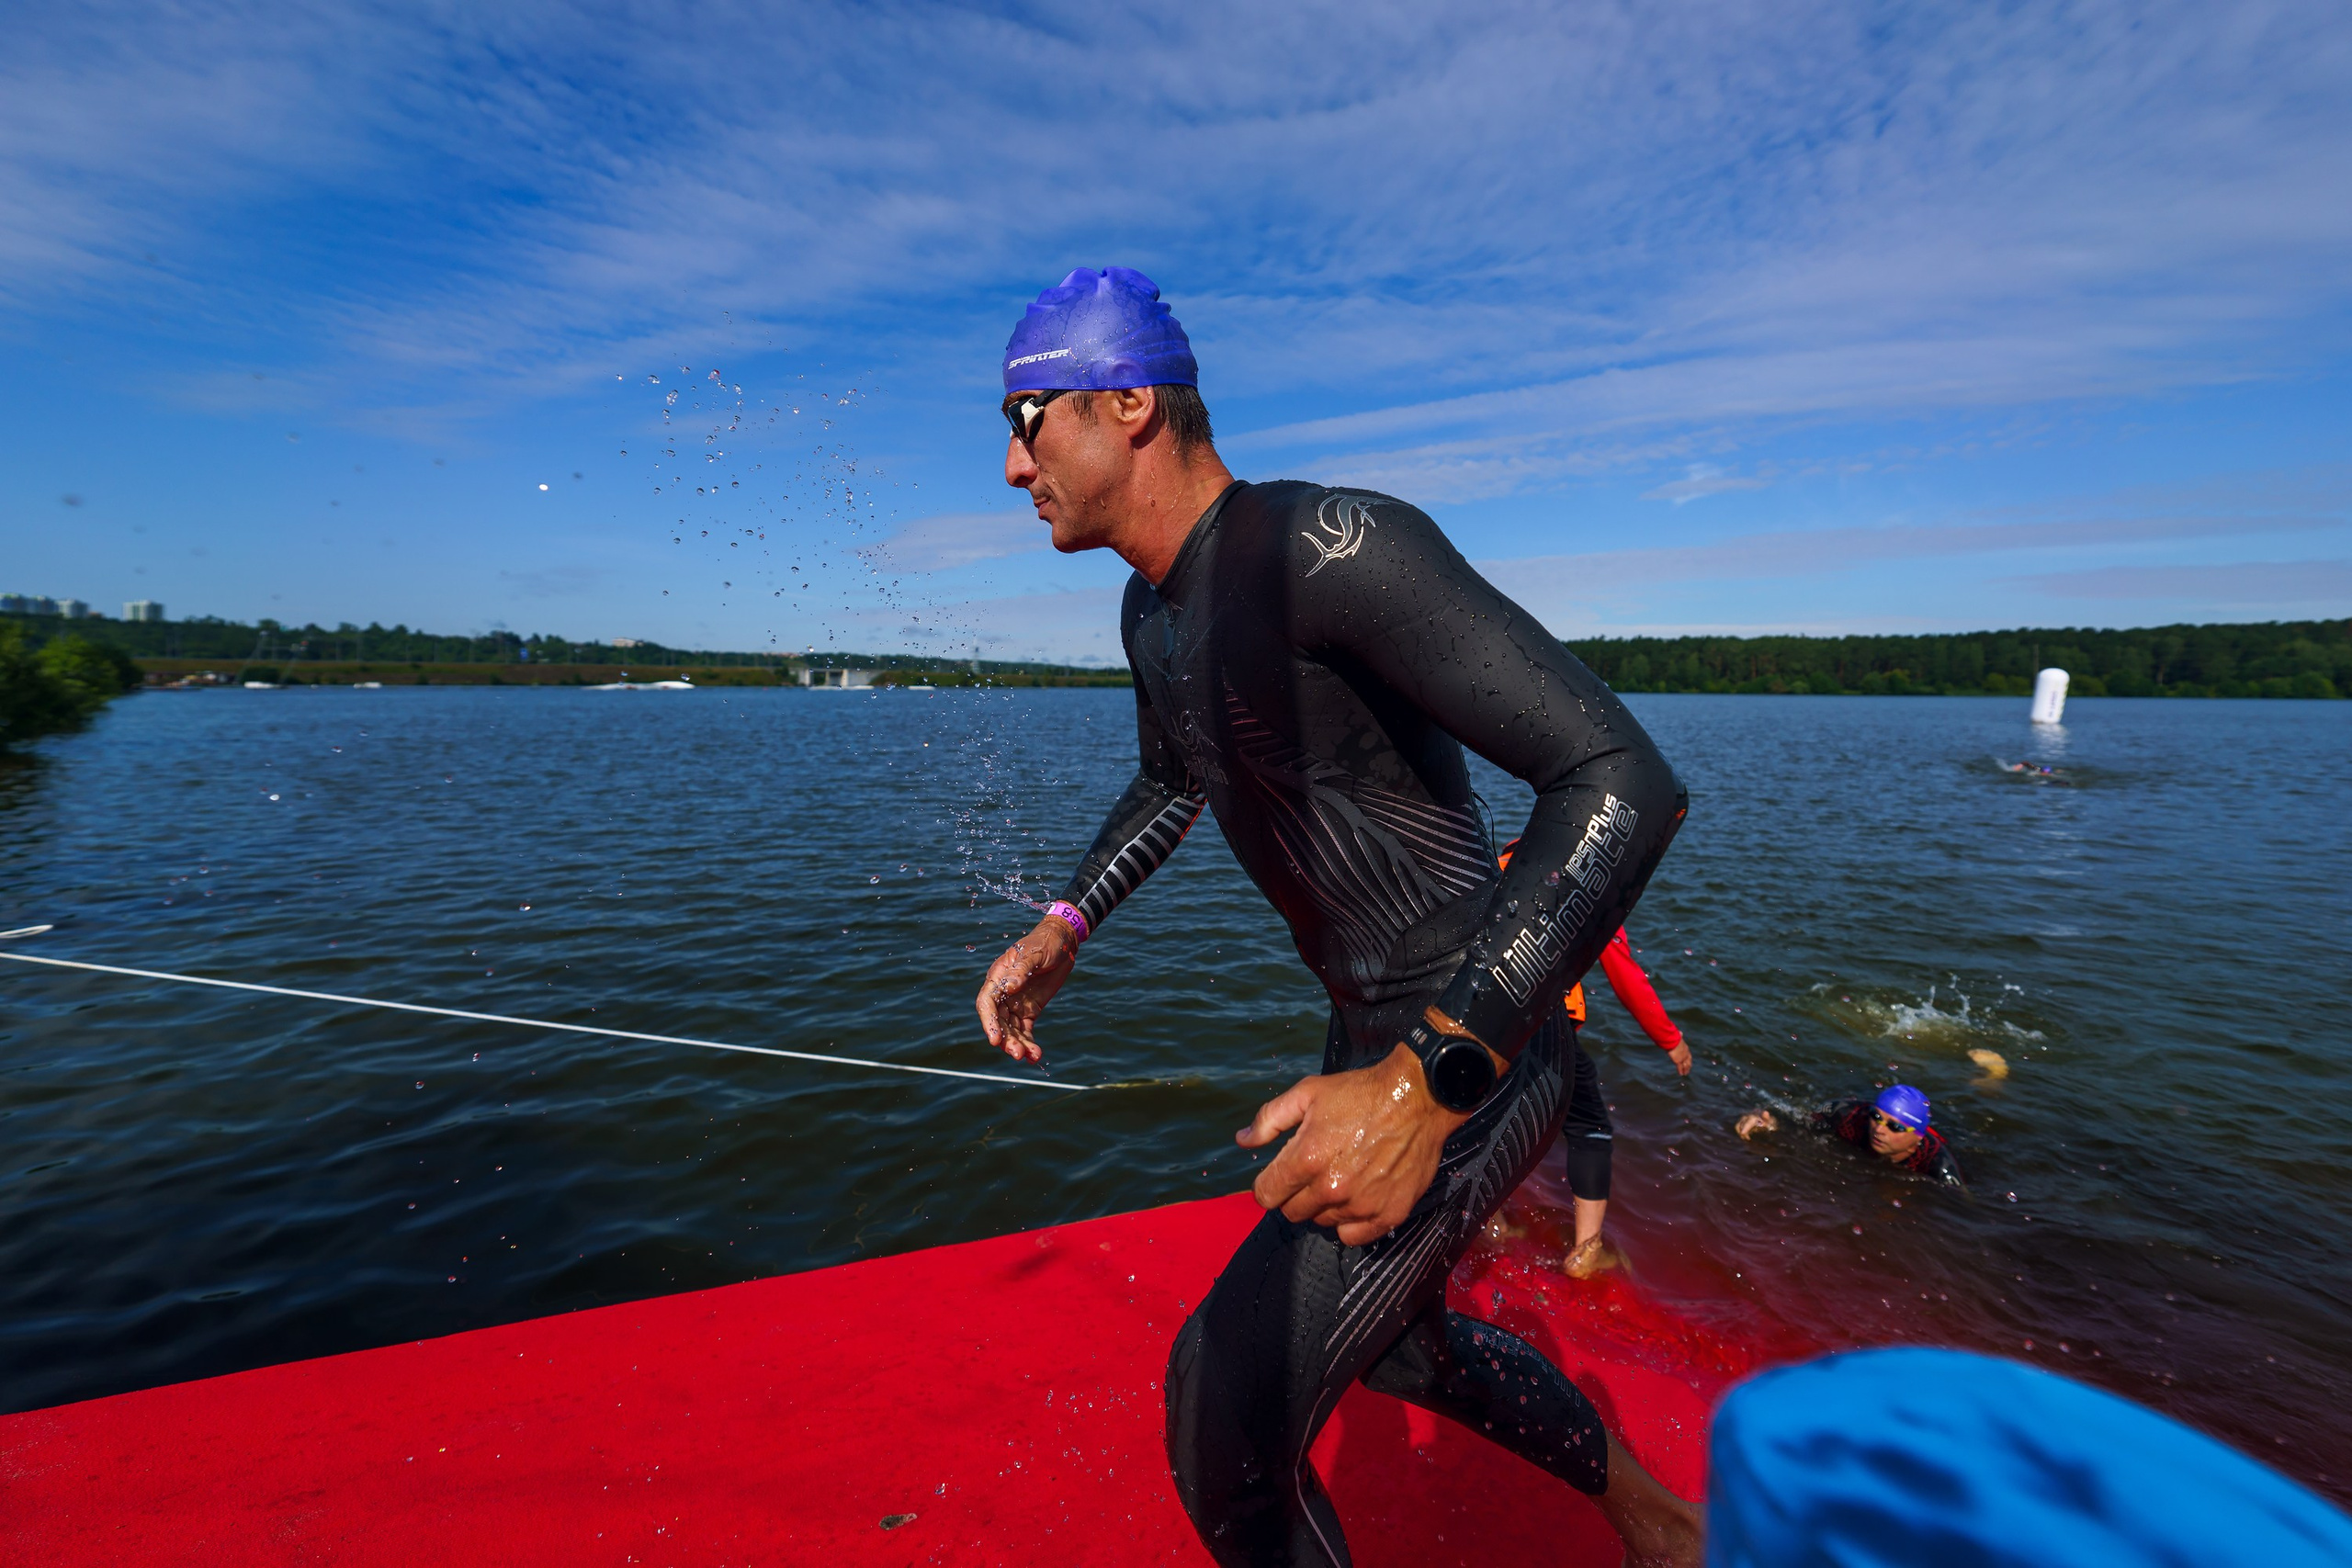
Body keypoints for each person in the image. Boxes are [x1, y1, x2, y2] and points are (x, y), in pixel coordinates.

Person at [973, 267, 1701, 1567]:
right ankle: (1654, 1517)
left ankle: (1657, 1517)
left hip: (1480, 1027)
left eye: (1027, 418)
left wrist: (1427, 1082)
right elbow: (1173, 773)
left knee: (1222, 1411)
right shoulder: (1151, 607)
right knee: (1405, 1349)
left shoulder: (1329, 547)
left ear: (1127, 401)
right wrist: (1066, 920)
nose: (1011, 464)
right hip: (1365, 1031)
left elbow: (1621, 778)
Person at [1497, 840, 1691, 1278]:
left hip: (1478, 1013)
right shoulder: (1588, 885)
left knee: (1490, 1116)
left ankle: (1493, 1222)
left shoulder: (1498, 868)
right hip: (1544, 1018)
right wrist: (1671, 1040)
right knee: (1590, 1129)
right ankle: (1587, 1253)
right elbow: (1624, 975)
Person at [1735, 1083, 1963, 1186]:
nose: (1879, 1129)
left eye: (1896, 1127)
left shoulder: (1937, 1164)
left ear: (1918, 1138)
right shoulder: (1847, 1116)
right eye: (1876, 1116)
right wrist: (1767, 1119)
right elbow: (1798, 1121)